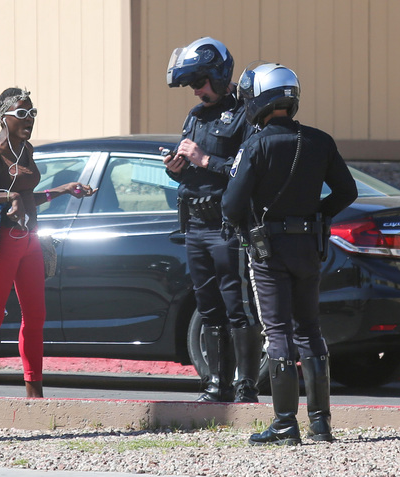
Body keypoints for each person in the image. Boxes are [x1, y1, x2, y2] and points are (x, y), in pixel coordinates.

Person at [222, 63, 358, 445]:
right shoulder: (320, 141)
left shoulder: (255, 144)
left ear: (258, 99)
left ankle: (284, 424)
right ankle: (320, 423)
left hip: (268, 250)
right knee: (310, 329)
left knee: (278, 331)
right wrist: (318, 216)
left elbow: (231, 205)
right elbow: (347, 191)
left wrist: (249, 223)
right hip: (309, 247)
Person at [0, 87, 96, 398]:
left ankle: (35, 395)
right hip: (2, 241)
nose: (29, 119)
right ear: (3, 117)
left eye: (32, 113)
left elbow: (29, 197)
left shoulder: (26, 148)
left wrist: (63, 190)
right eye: (22, 113)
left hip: (30, 240)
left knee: (35, 317)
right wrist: (9, 197)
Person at [164, 37, 262, 403]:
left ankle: (246, 386)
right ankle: (216, 384)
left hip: (226, 226)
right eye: (190, 84)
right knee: (208, 307)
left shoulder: (245, 113)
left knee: (238, 305)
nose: (195, 90)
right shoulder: (195, 116)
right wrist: (176, 168)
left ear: (219, 75)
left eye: (199, 82)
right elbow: (187, 169)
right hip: (195, 224)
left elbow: (249, 170)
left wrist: (205, 160)